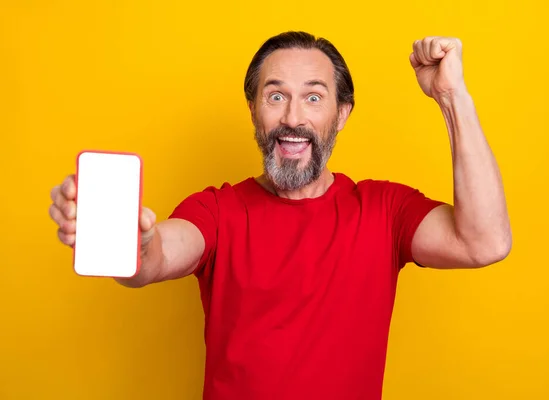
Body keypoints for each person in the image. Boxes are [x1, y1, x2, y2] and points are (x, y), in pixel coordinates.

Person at [48, 31, 511, 400]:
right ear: (253, 108)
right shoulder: (216, 210)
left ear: (342, 112)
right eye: (275, 97)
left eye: (313, 97)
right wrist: (131, 241)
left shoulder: (385, 210)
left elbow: (484, 242)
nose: (293, 117)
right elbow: (158, 255)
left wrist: (452, 98)